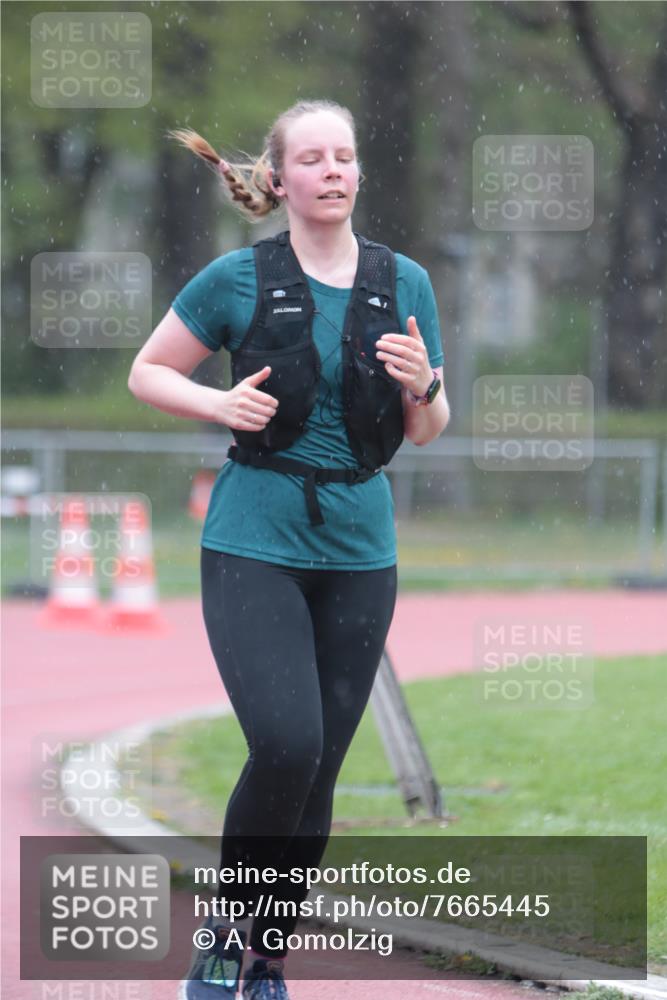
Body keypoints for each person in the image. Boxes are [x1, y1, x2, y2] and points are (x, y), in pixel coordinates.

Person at [128, 98, 450, 1000]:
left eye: (344, 156)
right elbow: (147, 370)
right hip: (253, 541)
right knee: (285, 743)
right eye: (312, 158)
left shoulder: (405, 283)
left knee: (318, 770)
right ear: (278, 178)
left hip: (360, 550)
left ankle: (267, 959)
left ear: (358, 173)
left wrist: (424, 387)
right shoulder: (236, 278)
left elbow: (426, 429)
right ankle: (222, 936)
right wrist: (218, 404)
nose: (332, 171)